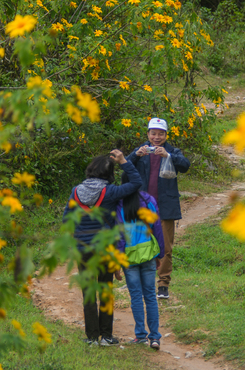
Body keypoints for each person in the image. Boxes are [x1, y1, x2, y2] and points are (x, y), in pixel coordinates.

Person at [62, 149, 142, 347]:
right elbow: (136, 183)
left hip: (83, 249)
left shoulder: (76, 191)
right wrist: (124, 161)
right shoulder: (111, 191)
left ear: (90, 171)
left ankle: (91, 338)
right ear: (109, 174)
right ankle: (106, 336)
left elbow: (67, 219)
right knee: (105, 289)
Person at [127, 118, 190, 300]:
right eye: (153, 133)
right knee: (140, 243)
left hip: (165, 206)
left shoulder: (171, 151)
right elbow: (125, 169)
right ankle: (140, 281)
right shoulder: (142, 151)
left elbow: (185, 166)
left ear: (165, 135)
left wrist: (168, 156)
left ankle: (163, 284)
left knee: (166, 246)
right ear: (147, 134)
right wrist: (135, 156)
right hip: (143, 206)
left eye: (160, 134)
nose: (156, 137)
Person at [116, 172, 165, 350]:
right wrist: (160, 253)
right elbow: (157, 226)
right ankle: (155, 338)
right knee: (151, 296)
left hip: (129, 257)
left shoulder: (119, 205)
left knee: (136, 297)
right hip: (148, 254)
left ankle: (140, 336)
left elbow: (120, 237)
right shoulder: (148, 200)